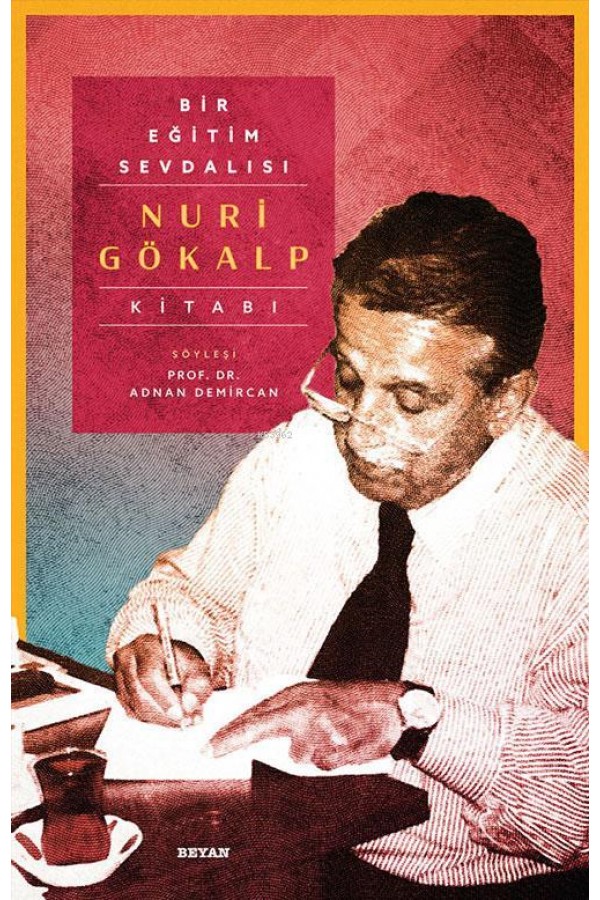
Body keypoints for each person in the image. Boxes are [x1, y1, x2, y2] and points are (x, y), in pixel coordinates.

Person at [107, 193, 588, 897]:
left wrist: (412, 720)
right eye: (351, 380)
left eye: (412, 402)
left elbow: (582, 808)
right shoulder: (301, 452)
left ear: (506, 400)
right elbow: (188, 590)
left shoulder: (578, 535)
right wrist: (170, 643)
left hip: (449, 884)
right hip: (259, 845)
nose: (360, 429)